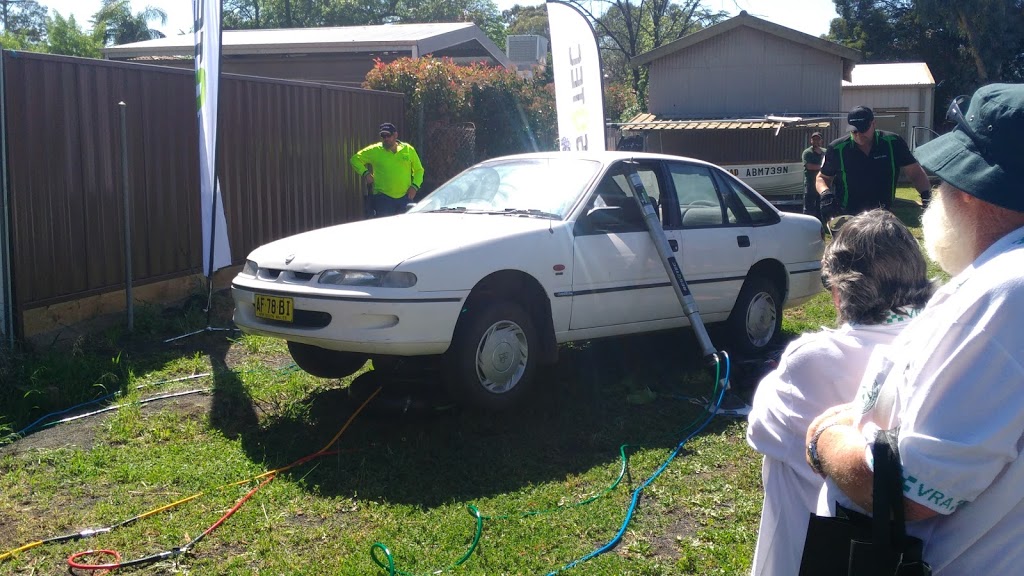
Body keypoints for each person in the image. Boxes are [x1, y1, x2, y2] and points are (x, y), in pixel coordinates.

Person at [806, 83, 1024, 574]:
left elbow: (909, 494)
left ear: (971, 189)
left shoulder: (1006, 293)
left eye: (942, 181)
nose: (936, 194)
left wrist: (825, 438)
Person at [746, 209, 934, 576]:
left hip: (809, 547)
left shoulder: (814, 358)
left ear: (838, 290)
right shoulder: (941, 346)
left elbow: (760, 431)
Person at [816, 106, 932, 218]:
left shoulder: (893, 142)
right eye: (854, 131)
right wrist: (825, 194)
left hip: (883, 213)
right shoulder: (837, 148)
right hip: (849, 215)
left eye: (863, 130)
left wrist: (926, 195)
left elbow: (915, 173)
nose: (859, 135)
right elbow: (822, 178)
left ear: (873, 124)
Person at [350, 122, 425, 218]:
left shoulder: (408, 149)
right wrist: (366, 173)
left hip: (405, 197)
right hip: (383, 198)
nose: (386, 139)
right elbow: (355, 159)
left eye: (388, 135)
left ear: (395, 135)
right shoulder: (375, 150)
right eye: (383, 136)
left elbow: (419, 170)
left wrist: (415, 186)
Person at [801, 132, 825, 223]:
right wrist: (822, 167)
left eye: (818, 139)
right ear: (811, 140)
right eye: (814, 139)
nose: (816, 141)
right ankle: (806, 224)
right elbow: (809, 166)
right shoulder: (807, 152)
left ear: (821, 141)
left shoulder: (825, 152)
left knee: (821, 206)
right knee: (808, 207)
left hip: (822, 183)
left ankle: (821, 224)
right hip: (810, 184)